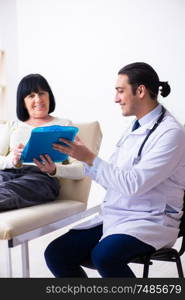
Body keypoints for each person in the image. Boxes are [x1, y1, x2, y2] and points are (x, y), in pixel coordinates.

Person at [44, 62, 185, 278]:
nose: (116, 99)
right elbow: (112, 177)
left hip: (150, 219)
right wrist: (67, 163)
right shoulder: (134, 128)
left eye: (120, 91)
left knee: (105, 256)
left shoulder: (171, 133)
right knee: (56, 253)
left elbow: (133, 184)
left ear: (140, 91)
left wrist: (90, 157)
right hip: (117, 215)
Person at [0, 74, 84, 211]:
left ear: (49, 96)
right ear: (23, 102)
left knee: (9, 191)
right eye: (31, 96)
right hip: (9, 172)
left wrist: (54, 170)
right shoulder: (13, 125)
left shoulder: (64, 125)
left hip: (41, 178)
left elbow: (81, 169)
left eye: (41, 93)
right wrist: (12, 161)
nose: (38, 99)